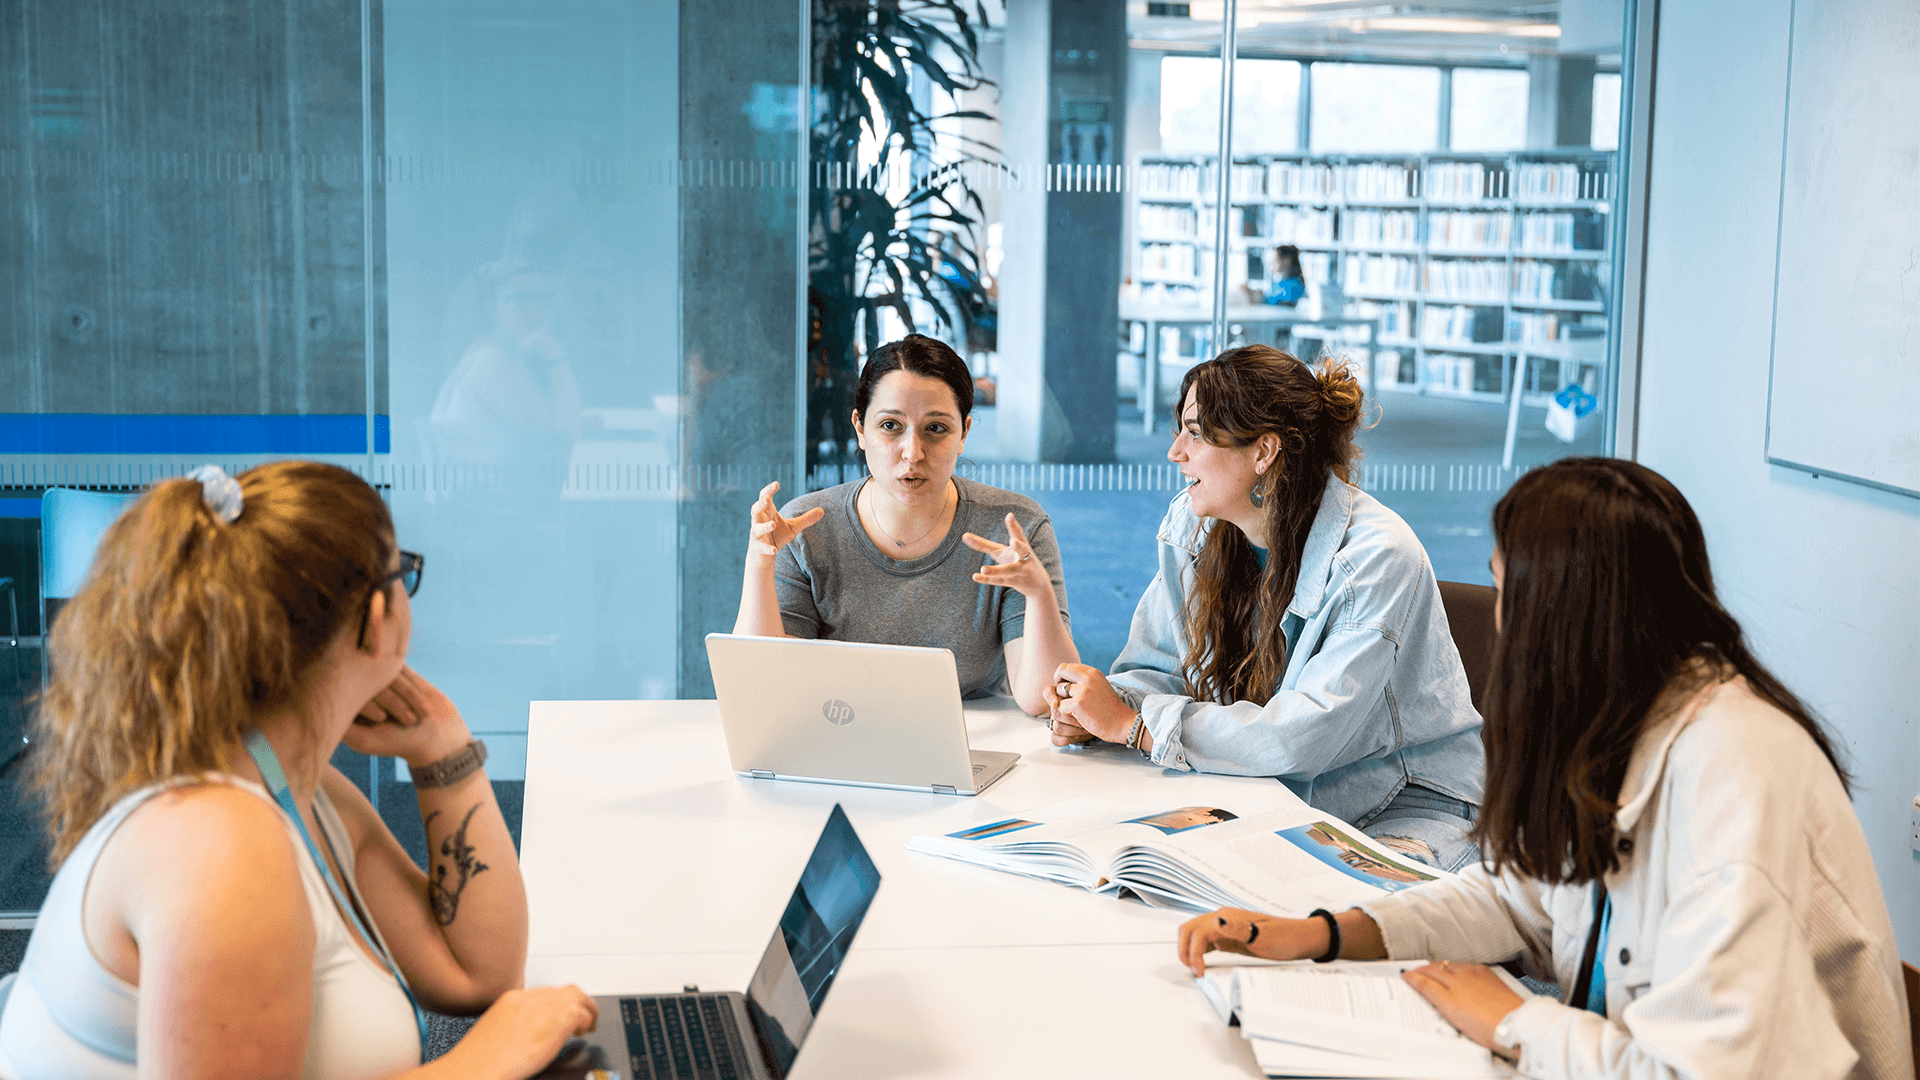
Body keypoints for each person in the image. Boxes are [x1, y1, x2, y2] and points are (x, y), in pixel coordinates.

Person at [1176, 458, 1908, 1079]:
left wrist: (1517, 1023)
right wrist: (1325, 935)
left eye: (1506, 591)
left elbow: (1697, 1071)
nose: (1500, 618)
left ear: (1566, 614)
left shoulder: (1738, 771)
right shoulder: (1622, 716)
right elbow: (1516, 898)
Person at [0, 462, 597, 1079]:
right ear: (375, 616)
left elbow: (477, 973)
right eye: (405, 575)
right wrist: (482, 1063)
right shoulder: (221, 843)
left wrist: (445, 755)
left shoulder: (291, 790)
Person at [1046, 345, 1484, 869]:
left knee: (1297, 916)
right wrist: (1104, 709)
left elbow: (1304, 736)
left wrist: (1137, 727)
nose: (1175, 452)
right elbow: (1157, 668)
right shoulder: (1195, 524)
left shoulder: (1376, 556)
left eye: (1196, 432)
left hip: (1401, 808)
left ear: (1263, 452)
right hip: (1273, 793)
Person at [733, 334, 1077, 715]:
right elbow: (760, 690)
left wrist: (1039, 593)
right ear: (860, 429)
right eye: (891, 426)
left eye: (935, 429)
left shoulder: (1015, 529)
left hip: (974, 743)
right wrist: (760, 563)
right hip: (840, 739)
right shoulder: (804, 529)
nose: (913, 453)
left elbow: (1042, 699)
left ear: (963, 433)